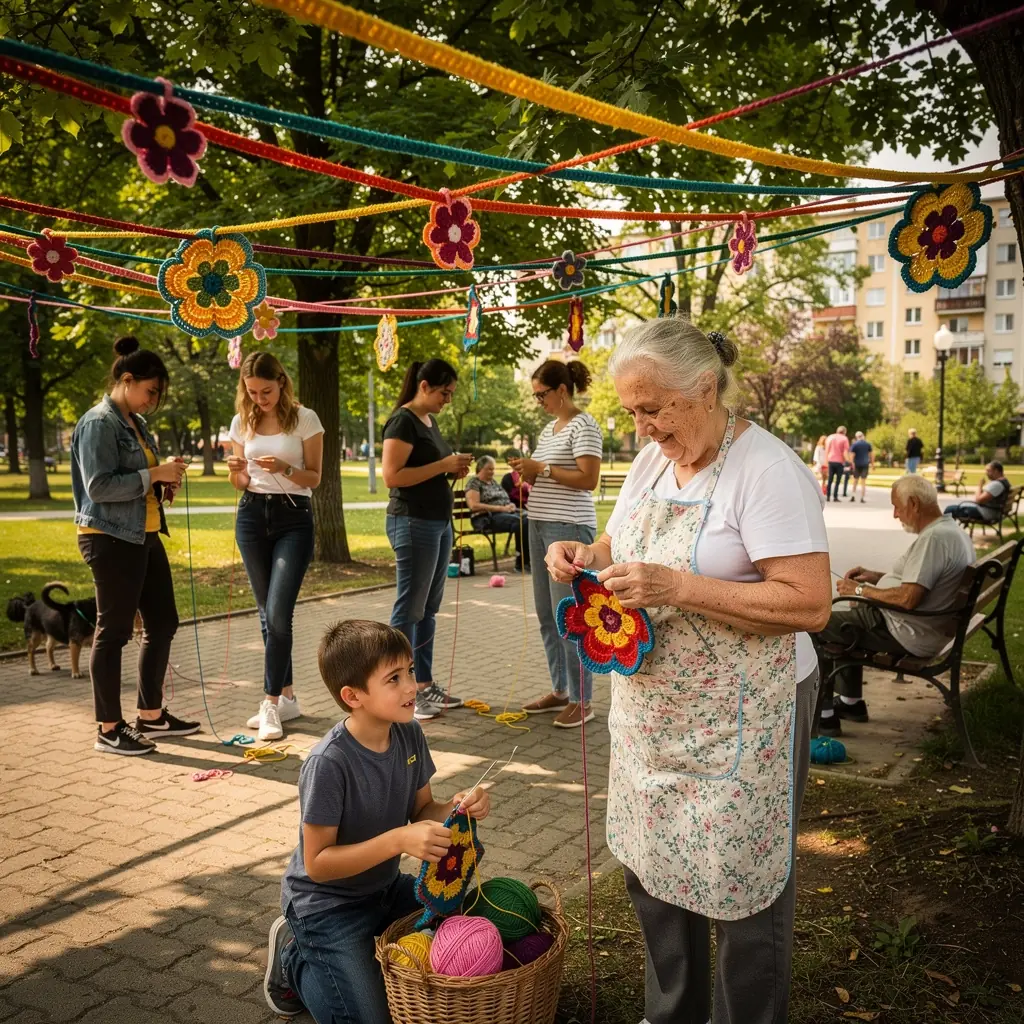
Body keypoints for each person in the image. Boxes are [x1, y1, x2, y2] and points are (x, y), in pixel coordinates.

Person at [544, 319, 831, 1024]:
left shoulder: (766, 469)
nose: (641, 427)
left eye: (652, 408)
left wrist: (678, 587)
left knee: (741, 878)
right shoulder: (653, 461)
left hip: (748, 715)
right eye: (632, 412)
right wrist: (585, 554)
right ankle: (671, 1012)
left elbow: (809, 603)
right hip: (656, 711)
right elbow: (618, 540)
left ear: (704, 389)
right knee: (655, 866)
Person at [262, 619, 492, 1022]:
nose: (411, 687)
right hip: (327, 907)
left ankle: (347, 957)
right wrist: (399, 840)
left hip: (383, 890)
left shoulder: (409, 733)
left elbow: (423, 810)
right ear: (353, 696)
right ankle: (294, 960)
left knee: (470, 918)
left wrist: (457, 807)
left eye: (410, 672)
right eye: (394, 679)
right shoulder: (328, 763)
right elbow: (318, 864)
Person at [72, 336, 199, 755]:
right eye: (150, 391)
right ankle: (109, 728)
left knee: (163, 622)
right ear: (127, 380)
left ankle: (151, 714)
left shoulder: (135, 423)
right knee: (114, 631)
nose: (153, 401)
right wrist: (153, 475)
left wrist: (163, 482)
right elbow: (98, 487)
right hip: (109, 537)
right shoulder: (98, 423)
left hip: (143, 533)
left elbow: (139, 478)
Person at [816, 474, 974, 736]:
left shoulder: (934, 540)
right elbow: (917, 581)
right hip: (923, 625)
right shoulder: (949, 531)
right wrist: (875, 577)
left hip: (907, 632)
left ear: (914, 504)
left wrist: (859, 590)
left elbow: (908, 598)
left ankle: (824, 716)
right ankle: (851, 703)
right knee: (845, 621)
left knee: (818, 621)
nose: (895, 514)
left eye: (897, 507)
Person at [228, 353, 324, 742]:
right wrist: (237, 473)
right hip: (251, 515)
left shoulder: (305, 419)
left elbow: (314, 478)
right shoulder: (241, 422)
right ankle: (287, 698)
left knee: (278, 614)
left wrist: (283, 468)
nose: (260, 399)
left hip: (293, 517)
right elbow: (239, 482)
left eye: (266, 391)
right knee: (266, 615)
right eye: (252, 392)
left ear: (281, 382)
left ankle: (269, 703)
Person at [511, 360, 603, 728]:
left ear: (562, 390)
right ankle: (561, 689)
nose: (539, 402)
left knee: (569, 615)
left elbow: (589, 479)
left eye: (542, 395)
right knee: (547, 615)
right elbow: (547, 474)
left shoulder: (585, 425)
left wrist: (543, 469)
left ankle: (583, 700)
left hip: (568, 528)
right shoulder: (549, 429)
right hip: (538, 524)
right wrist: (529, 472)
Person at [381, 359, 472, 721]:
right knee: (409, 609)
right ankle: (399, 691)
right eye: (444, 393)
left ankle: (423, 683)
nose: (447, 400)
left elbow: (428, 471)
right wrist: (443, 466)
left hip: (437, 522)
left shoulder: (428, 422)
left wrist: (451, 470)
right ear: (424, 386)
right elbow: (392, 476)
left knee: (428, 610)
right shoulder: (402, 421)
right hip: (412, 522)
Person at [465, 455, 530, 571]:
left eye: (493, 469)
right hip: (485, 518)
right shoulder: (474, 482)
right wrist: (501, 508)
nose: (492, 472)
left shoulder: (493, 482)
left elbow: (504, 499)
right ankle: (521, 563)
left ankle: (532, 559)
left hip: (505, 513)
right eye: (489, 469)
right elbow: (473, 505)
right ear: (480, 468)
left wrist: (510, 505)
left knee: (531, 517)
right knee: (521, 522)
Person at [944, 461, 1011, 525]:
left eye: (988, 471)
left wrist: (980, 486)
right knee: (956, 507)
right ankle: (949, 530)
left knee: (950, 509)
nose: (986, 473)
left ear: (996, 471)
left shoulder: (997, 485)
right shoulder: (1004, 481)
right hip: (993, 511)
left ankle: (944, 531)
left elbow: (978, 500)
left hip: (986, 513)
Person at [824, 425, 850, 503]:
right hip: (839, 462)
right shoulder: (844, 439)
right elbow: (845, 452)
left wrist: (826, 461)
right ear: (844, 432)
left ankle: (828, 496)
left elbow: (827, 450)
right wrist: (848, 461)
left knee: (830, 479)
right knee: (838, 480)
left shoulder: (830, 437)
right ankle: (835, 497)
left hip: (830, 461)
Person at [848, 430, 874, 503]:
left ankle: (853, 496)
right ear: (863, 436)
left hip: (857, 464)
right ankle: (862, 497)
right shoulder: (868, 444)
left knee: (855, 480)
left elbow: (852, 455)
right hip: (865, 464)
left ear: (856, 437)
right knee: (863, 481)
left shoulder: (855, 445)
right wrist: (872, 464)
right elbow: (871, 455)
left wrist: (852, 463)